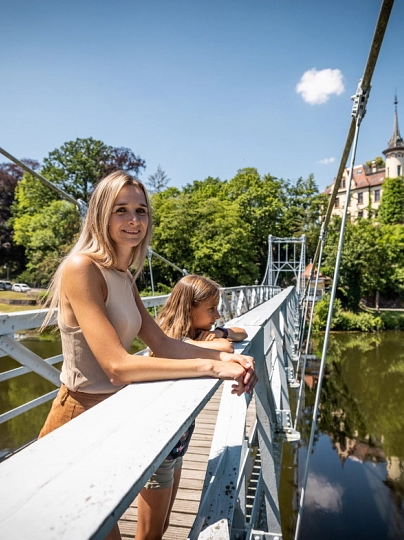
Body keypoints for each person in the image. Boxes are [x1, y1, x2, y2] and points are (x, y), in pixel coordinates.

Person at [37, 171, 256, 540]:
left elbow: (164, 344)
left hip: (117, 416)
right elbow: (118, 366)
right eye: (121, 210)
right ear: (101, 216)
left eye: (141, 210)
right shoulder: (82, 269)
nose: (134, 220)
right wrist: (209, 366)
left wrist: (226, 361)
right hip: (79, 417)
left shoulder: (123, 275)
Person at [138, 275, 249, 539]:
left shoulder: (192, 335)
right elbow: (226, 347)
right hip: (159, 445)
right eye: (211, 309)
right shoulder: (168, 339)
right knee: (150, 533)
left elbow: (238, 333)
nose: (217, 314)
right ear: (189, 308)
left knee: (162, 527)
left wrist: (218, 332)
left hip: (177, 441)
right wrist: (217, 340)